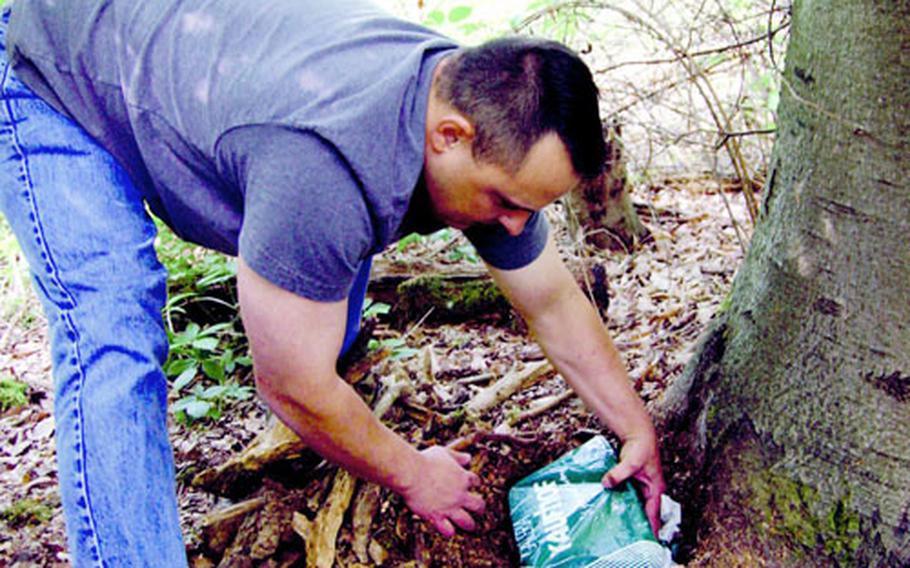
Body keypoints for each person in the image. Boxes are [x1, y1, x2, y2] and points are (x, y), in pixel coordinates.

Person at [0, 0, 665, 565]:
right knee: (111, 329)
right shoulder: (324, 166)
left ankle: (312, 431)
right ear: (449, 135)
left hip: (193, 69)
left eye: (532, 206)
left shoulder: (478, 113)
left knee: (327, 255)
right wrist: (414, 474)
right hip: (57, 73)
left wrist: (636, 428)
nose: (517, 226)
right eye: (506, 203)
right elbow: (288, 380)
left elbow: (550, 302)